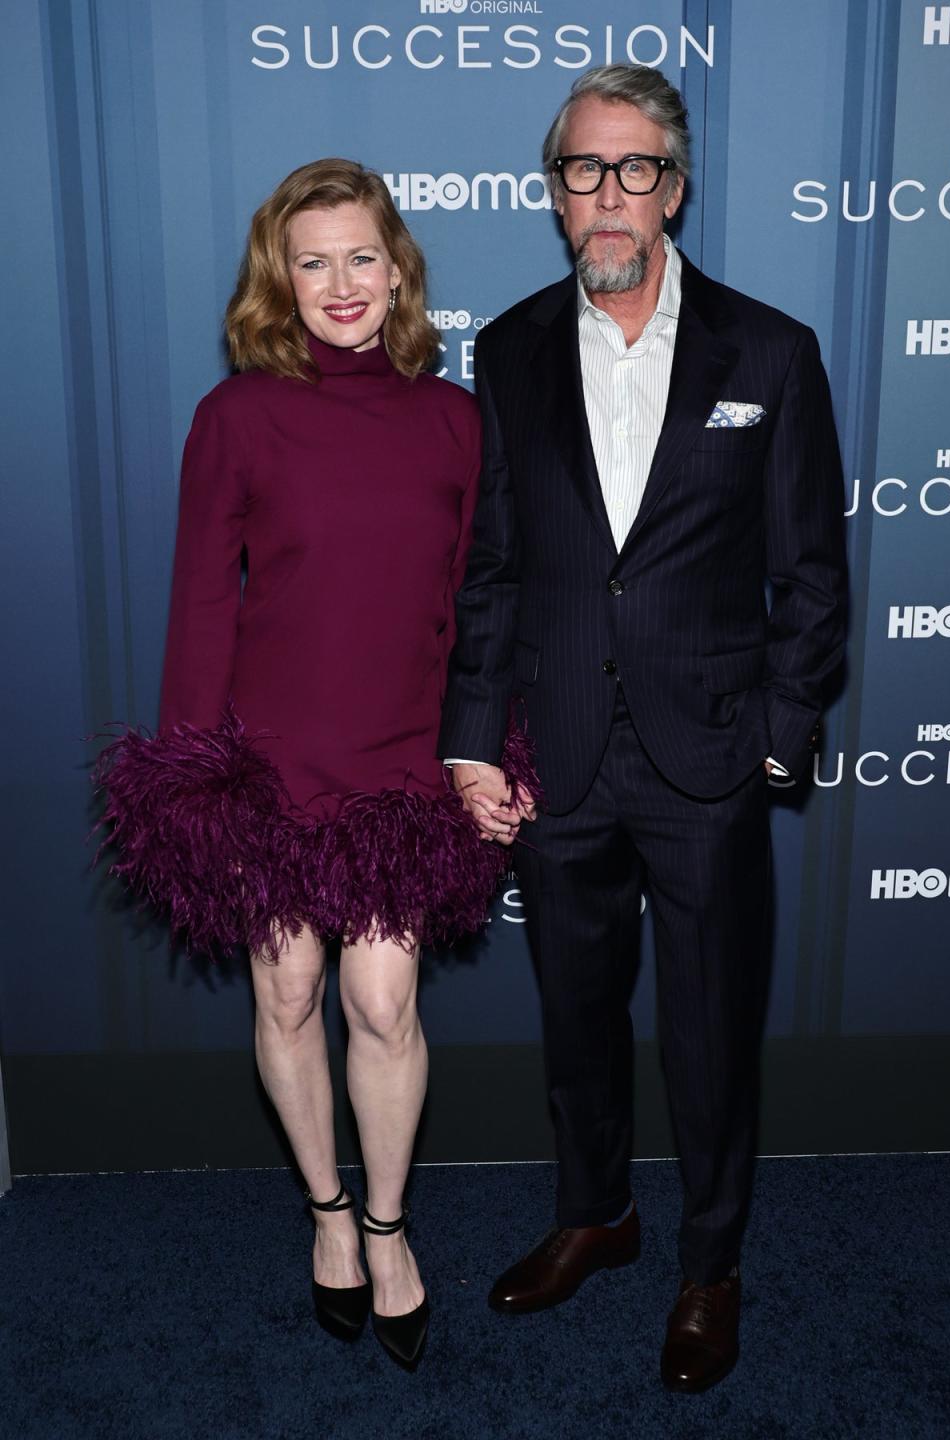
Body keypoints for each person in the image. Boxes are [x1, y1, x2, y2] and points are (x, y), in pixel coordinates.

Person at [441, 66, 847, 1392]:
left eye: (634, 170)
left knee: (712, 1027)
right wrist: (473, 739)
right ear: (553, 192)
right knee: (575, 1012)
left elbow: (812, 572)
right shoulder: (503, 351)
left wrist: (781, 732)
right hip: (556, 752)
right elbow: (490, 568)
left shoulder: (771, 352)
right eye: (581, 170)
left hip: (709, 753)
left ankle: (708, 1265)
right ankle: (597, 1213)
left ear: (673, 186)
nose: (607, 196)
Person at [96, 158, 535, 1371]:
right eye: (312, 261)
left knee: (381, 1005)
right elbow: (201, 604)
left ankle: (389, 1227)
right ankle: (328, 1219)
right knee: (285, 996)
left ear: (396, 269)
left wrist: (488, 751)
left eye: (361, 257)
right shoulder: (236, 414)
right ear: (277, 281)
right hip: (270, 760)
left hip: (403, 755)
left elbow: (480, 606)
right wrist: (193, 778)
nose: (341, 284)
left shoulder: (454, 418)